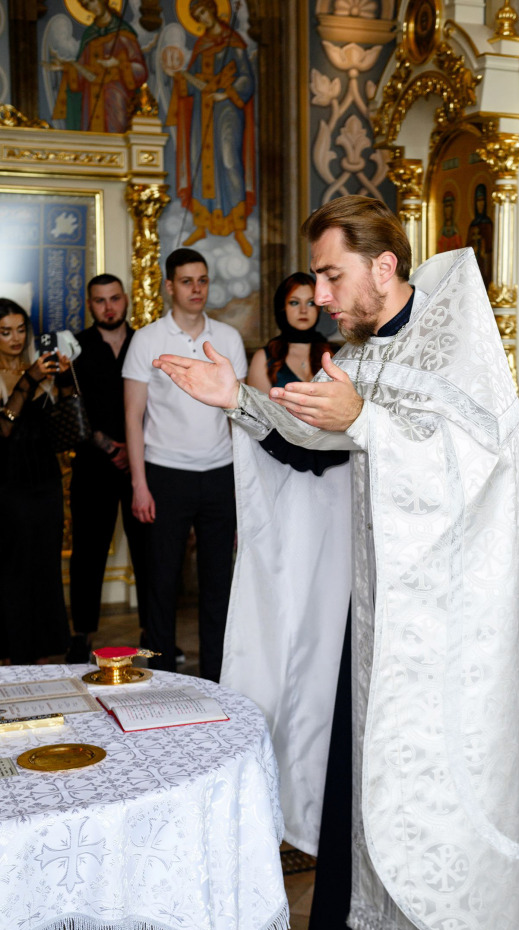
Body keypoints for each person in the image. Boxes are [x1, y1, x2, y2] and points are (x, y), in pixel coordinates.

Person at [153, 196, 519, 930]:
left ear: (384, 267)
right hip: (382, 623)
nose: (318, 292)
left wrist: (364, 419)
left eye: (331, 274)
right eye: (316, 276)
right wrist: (236, 398)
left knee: (445, 814)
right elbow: (329, 439)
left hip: (452, 645)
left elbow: (475, 465)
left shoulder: (455, 339)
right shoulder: (368, 348)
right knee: (373, 804)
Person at [223, 272, 351, 855]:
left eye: (311, 301)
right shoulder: (264, 357)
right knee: (278, 611)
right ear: (282, 307)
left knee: (322, 619)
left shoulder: (341, 358)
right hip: (282, 494)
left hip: (332, 500)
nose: (304, 309)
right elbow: (255, 426)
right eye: (294, 301)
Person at [123, 248, 247, 682]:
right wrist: (140, 484)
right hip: (164, 473)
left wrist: (241, 487)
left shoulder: (228, 339)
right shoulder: (148, 339)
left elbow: (238, 417)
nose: (197, 289)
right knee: (162, 586)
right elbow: (132, 417)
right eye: (187, 281)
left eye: (203, 280)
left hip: (219, 474)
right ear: (170, 286)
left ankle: (216, 679)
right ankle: (159, 680)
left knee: (218, 586)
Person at [63, 275, 149, 664]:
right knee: (88, 553)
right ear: (89, 304)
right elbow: (68, 404)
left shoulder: (145, 342)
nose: (109, 307)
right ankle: (82, 636)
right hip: (92, 465)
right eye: (100, 301)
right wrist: (106, 444)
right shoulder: (75, 347)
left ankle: (154, 629)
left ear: (126, 299)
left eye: (115, 298)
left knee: (149, 551)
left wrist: (132, 450)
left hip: (142, 465)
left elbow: (157, 403)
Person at [0, 300, 70, 664]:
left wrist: (66, 379)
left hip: (47, 484)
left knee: (45, 567)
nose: (15, 338)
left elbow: (67, 433)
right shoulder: (15, 374)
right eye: (5, 331)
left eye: (20, 329)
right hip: (9, 488)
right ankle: (13, 653)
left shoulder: (40, 372)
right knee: (14, 569)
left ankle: (41, 653)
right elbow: (4, 427)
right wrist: (28, 379)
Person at [165, 0, 255, 255]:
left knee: (228, 162)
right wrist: (180, 77)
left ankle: (237, 227)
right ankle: (203, 224)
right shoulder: (202, 46)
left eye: (204, 12)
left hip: (227, 113)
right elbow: (193, 85)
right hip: (201, 116)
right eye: (197, 15)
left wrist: (225, 94)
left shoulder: (233, 42)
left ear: (214, 11)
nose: (202, 18)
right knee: (203, 165)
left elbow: (246, 79)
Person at [50, 0, 148, 134]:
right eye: (86, 5)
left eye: (93, 1)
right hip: (91, 101)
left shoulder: (124, 33)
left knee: (117, 137)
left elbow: (140, 70)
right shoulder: (90, 35)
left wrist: (118, 64)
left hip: (115, 98)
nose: (92, 7)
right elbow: (81, 73)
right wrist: (66, 68)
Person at [465, 182, 493, 289]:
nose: (480, 204)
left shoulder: (488, 223)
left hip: (484, 268)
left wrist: (483, 246)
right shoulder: (472, 225)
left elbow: (490, 251)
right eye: (478, 201)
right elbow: (466, 250)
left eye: (482, 200)